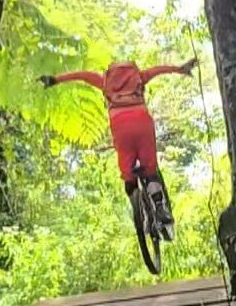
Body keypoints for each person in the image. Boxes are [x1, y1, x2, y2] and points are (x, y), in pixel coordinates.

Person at [39, 58, 197, 223]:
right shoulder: (140, 76)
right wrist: (180, 69)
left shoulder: (105, 80)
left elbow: (82, 75)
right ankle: (159, 207)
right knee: (150, 170)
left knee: (127, 172)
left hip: (121, 127)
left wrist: (55, 80)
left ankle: (135, 203)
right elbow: (159, 70)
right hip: (142, 122)